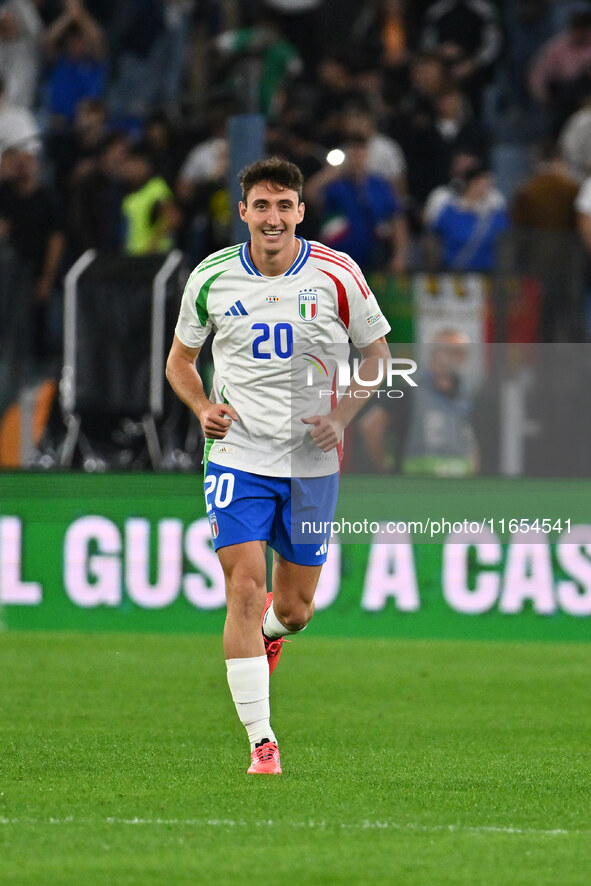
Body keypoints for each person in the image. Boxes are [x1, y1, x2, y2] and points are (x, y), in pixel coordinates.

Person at [165, 156, 391, 774]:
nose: (272, 217)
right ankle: (262, 741)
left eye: (283, 206)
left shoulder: (337, 273)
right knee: (242, 587)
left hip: (311, 460)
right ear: (243, 212)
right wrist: (201, 405)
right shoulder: (211, 277)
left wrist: (341, 419)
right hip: (236, 455)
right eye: (261, 206)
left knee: (293, 609)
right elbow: (180, 363)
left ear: (299, 211)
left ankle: (269, 633)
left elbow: (377, 357)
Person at [359, 328, 478, 477]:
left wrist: (474, 469)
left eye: (461, 352)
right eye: (452, 351)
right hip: (417, 484)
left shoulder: (465, 392)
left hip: (459, 483)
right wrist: (386, 467)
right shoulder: (410, 391)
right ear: (435, 353)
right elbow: (371, 425)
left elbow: (469, 437)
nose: (459, 358)